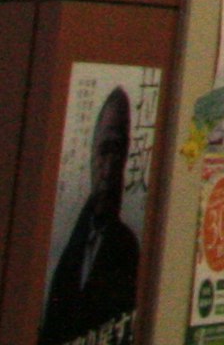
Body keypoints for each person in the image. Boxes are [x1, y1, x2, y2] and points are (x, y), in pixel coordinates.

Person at [38, 86, 141, 345]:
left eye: (119, 151)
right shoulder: (66, 247)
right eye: (105, 150)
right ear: (91, 154)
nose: (110, 166)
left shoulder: (127, 247)